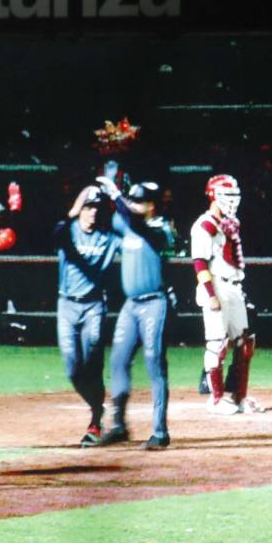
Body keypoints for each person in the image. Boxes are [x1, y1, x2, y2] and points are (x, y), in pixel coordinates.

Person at [94, 178, 175, 450]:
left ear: (152, 206)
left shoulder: (160, 229)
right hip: (131, 305)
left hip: (154, 303)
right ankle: (118, 425)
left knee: (154, 363)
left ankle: (160, 431)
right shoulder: (126, 224)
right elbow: (108, 218)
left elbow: (133, 221)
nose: (134, 205)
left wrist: (116, 194)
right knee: (118, 360)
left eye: (140, 201)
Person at [190, 174, 263, 415]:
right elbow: (199, 262)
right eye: (227, 196)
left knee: (245, 343)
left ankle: (239, 396)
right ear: (213, 196)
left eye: (234, 196)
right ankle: (216, 397)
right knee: (217, 343)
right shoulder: (205, 224)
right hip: (216, 286)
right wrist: (211, 294)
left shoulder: (230, 223)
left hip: (233, 286)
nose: (232, 201)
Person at [56, 185, 122, 446]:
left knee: (93, 362)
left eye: (96, 207)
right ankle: (98, 406)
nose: (92, 212)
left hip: (94, 306)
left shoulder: (108, 236)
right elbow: (56, 231)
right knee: (73, 368)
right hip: (67, 304)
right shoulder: (68, 232)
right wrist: (75, 206)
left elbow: (128, 231)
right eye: (88, 207)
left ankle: (95, 420)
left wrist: (116, 198)